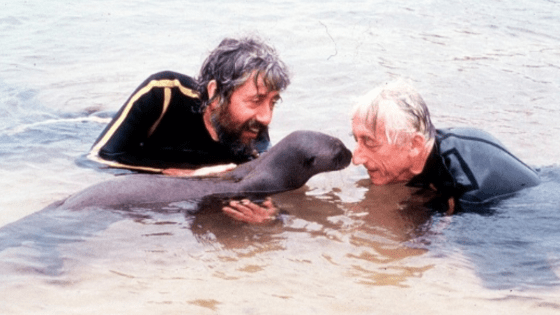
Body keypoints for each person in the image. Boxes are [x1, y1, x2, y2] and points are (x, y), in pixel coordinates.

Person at [88, 36, 290, 177]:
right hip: (93, 125)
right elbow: (98, 157)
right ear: (215, 93)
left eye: (272, 102)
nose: (266, 117)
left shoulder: (253, 135)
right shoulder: (164, 93)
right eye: (256, 100)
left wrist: (270, 217)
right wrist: (178, 173)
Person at [351, 79, 541, 213]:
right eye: (356, 140)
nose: (356, 159)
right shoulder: (418, 152)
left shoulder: (471, 189)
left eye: (370, 143)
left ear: (414, 145)